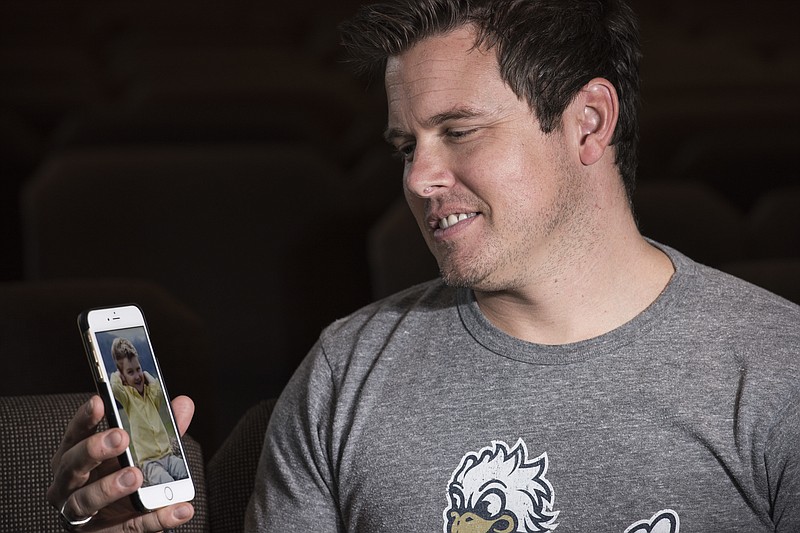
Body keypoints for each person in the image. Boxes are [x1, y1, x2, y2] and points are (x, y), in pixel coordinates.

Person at [48, 0, 799, 531]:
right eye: (408, 145)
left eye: (459, 131)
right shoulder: (346, 368)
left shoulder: (776, 368)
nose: (417, 179)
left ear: (589, 123)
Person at [109, 337, 188, 485]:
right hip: (149, 463)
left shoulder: (150, 394)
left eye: (138, 369)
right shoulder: (127, 398)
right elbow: (114, 387)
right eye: (130, 372)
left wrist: (146, 374)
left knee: (183, 471)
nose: (137, 376)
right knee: (164, 480)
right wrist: (118, 374)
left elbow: (158, 390)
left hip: (168, 456)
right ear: (123, 377)